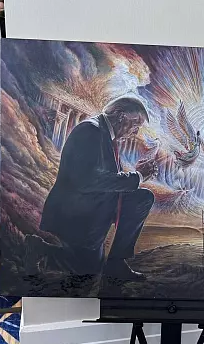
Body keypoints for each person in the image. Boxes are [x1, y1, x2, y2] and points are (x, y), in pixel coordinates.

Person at [33, 96, 158, 282]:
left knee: (142, 198)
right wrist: (137, 176)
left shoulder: (102, 133)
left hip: (92, 206)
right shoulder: (90, 131)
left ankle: (116, 263)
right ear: (120, 116)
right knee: (89, 269)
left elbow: (103, 177)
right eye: (135, 124)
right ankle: (39, 249)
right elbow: (87, 180)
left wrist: (136, 175)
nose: (136, 132)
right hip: (76, 213)